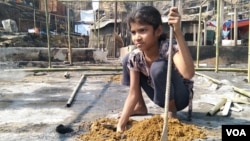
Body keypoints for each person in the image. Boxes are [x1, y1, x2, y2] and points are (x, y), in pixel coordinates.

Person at [116, 5, 195, 132]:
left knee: (158, 67)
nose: (137, 37)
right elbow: (133, 92)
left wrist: (177, 32)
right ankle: (140, 107)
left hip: (180, 97)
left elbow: (188, 73)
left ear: (158, 31)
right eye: (134, 32)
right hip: (160, 97)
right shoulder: (136, 57)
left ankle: (171, 111)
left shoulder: (168, 48)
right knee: (127, 59)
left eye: (143, 31)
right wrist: (121, 124)